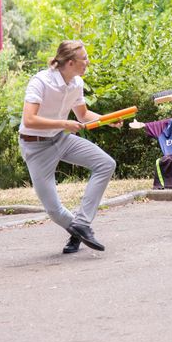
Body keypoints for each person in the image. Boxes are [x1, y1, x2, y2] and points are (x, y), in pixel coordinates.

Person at [18, 40, 118, 254]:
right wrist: (64, 124)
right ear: (71, 62)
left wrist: (108, 119)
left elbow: (83, 115)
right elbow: (29, 120)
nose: (88, 63)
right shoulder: (41, 81)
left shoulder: (77, 83)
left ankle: (81, 224)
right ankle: (78, 230)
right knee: (54, 211)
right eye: (85, 59)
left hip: (60, 139)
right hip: (35, 147)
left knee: (105, 164)